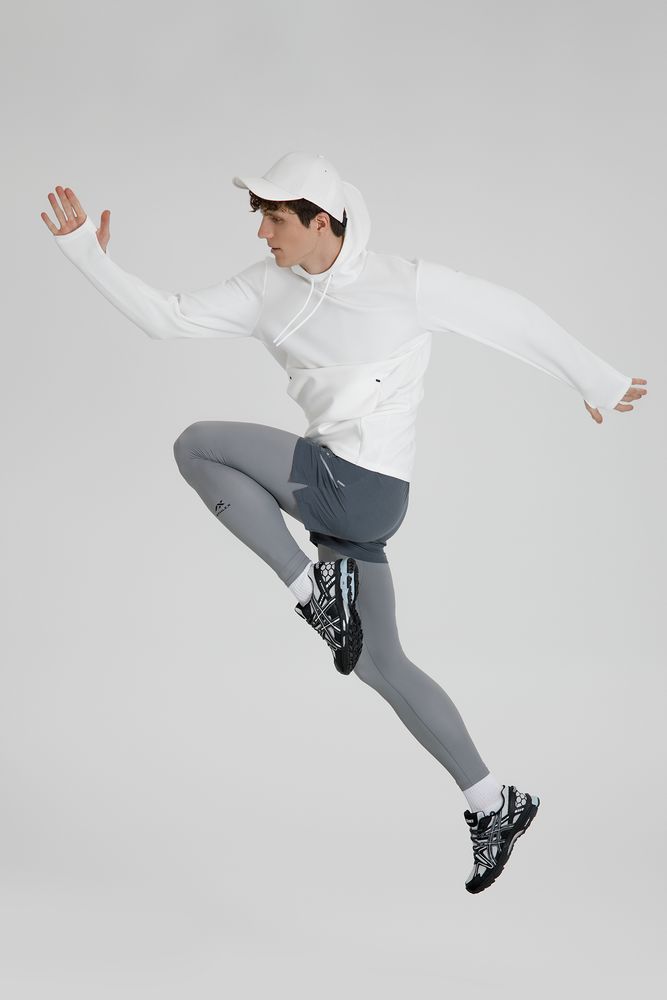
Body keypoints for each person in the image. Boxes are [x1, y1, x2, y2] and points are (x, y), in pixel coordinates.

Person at [41, 151, 647, 894]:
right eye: (260, 217)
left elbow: (508, 316)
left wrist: (593, 379)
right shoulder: (265, 288)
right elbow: (165, 319)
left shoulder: (402, 283)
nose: (262, 233)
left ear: (321, 221)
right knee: (381, 665)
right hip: (350, 501)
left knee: (198, 444)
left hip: (356, 486)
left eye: (275, 219)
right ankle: (493, 802)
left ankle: (311, 593)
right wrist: (90, 257)